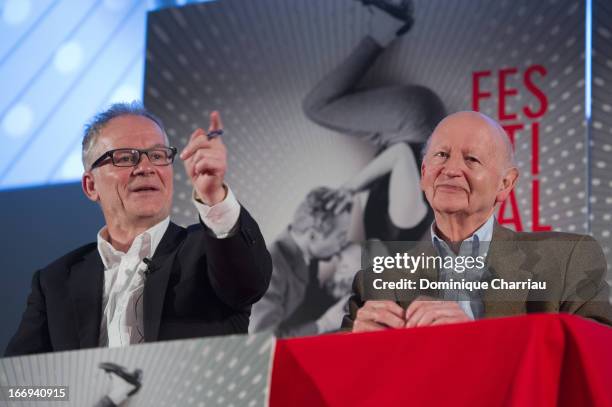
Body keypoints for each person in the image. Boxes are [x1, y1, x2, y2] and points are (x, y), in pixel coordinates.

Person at [5, 102, 272, 356]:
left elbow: (248, 284)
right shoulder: (55, 282)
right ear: (90, 186)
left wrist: (215, 196)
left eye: (157, 155)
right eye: (124, 157)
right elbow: (17, 390)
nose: (145, 168)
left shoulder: (209, 250)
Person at [343, 111, 612, 332]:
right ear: (424, 173)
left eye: (471, 159)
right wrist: (357, 350)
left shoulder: (567, 260)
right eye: (441, 156)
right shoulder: (377, 280)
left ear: (505, 184)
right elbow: (332, 383)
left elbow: (598, 357)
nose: (450, 170)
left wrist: (477, 338)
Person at [303, 0, 444, 242]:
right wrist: (350, 187)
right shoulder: (402, 222)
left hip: (408, 128)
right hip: (412, 121)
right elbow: (400, 153)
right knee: (316, 107)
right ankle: (386, 27)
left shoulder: (386, 233)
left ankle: (387, 27)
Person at [249, 187, 354, 337]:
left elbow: (327, 207)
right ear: (312, 236)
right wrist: (325, 323)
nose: (343, 243)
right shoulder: (269, 270)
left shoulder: (304, 249)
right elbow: (266, 341)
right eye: (341, 237)